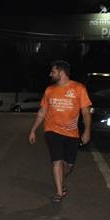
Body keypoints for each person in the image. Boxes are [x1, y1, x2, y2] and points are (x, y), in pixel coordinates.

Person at [27, 60, 91, 203]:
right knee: (57, 161)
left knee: (68, 165)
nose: (51, 74)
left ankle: (61, 181)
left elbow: (86, 112)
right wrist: (33, 130)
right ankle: (58, 192)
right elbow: (42, 111)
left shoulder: (79, 88)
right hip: (52, 130)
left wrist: (87, 131)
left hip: (72, 133)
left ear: (61, 72)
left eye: (53, 71)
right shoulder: (49, 90)